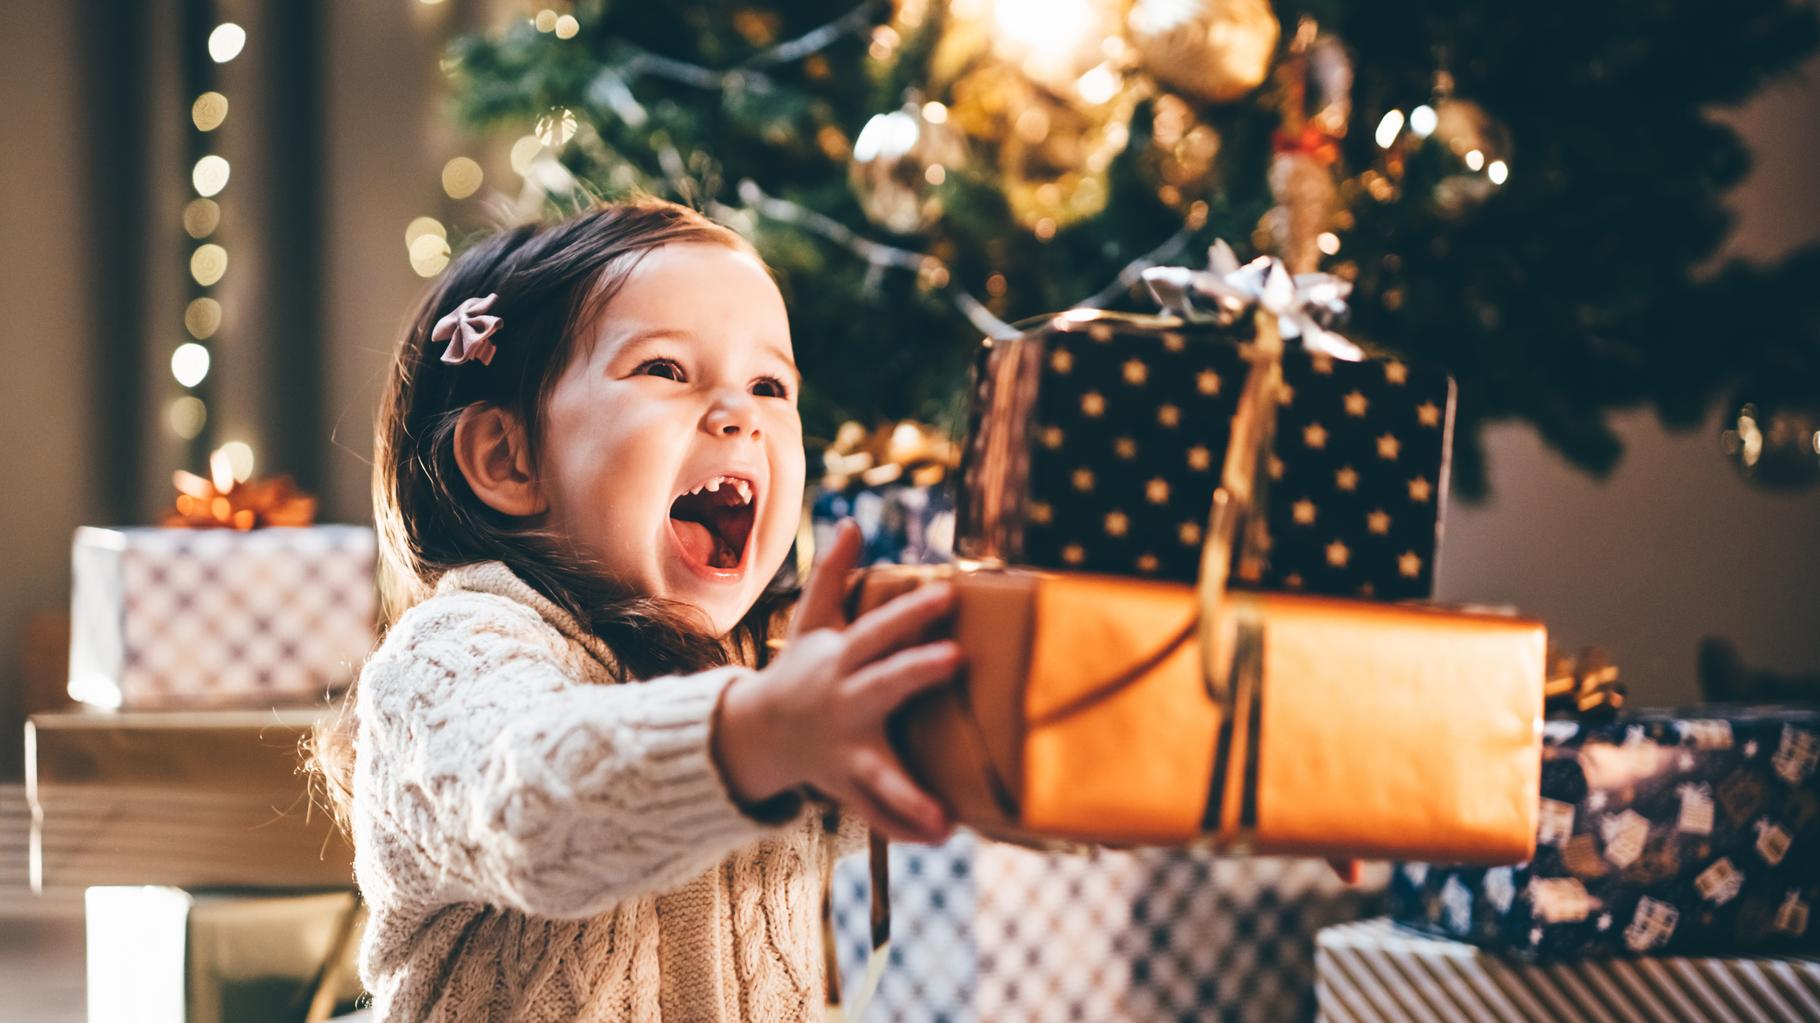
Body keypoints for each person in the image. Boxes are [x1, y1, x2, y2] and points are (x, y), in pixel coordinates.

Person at [311, 198, 961, 1021]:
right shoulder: (449, 654)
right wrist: (766, 731)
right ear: (508, 458)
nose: (739, 413)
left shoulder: (773, 674)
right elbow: (531, 806)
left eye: (770, 384)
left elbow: (918, 859)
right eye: (665, 369)